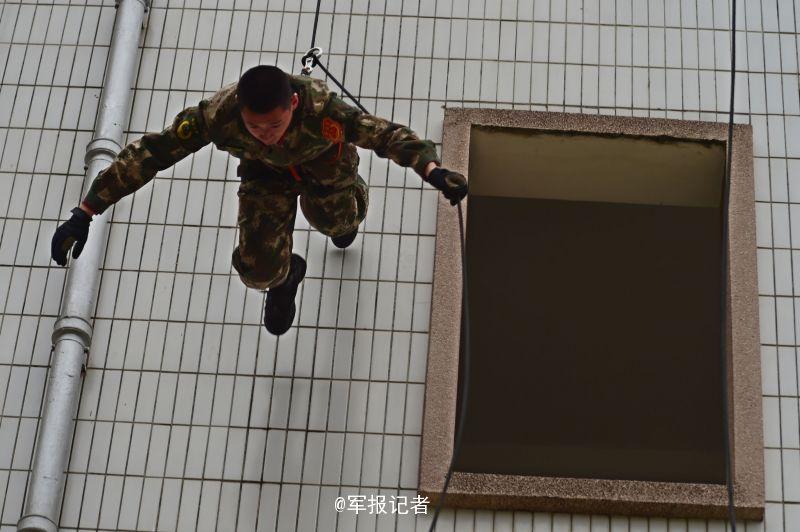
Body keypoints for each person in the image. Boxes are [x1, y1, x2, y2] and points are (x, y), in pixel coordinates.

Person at [51, 65, 468, 335]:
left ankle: (347, 215)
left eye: (274, 125)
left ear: (293, 104)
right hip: (266, 178)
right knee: (257, 272)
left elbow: (388, 136)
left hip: (326, 170)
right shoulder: (218, 116)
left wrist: (434, 171)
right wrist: (86, 211)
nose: (266, 133)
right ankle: (288, 277)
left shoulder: (324, 110)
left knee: (337, 226)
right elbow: (152, 153)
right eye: (255, 126)